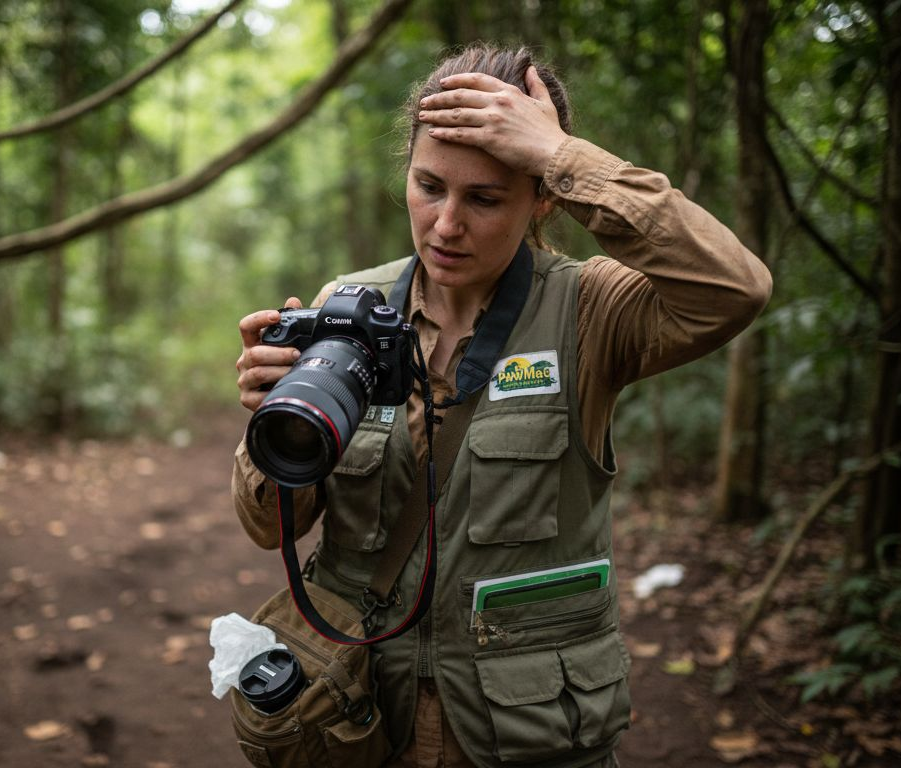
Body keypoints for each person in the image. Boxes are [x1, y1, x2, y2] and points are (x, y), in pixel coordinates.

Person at [231, 44, 771, 768]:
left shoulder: (588, 309)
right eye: (429, 187)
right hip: (361, 721)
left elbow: (735, 289)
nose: (446, 225)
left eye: (484, 198)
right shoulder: (347, 307)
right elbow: (274, 528)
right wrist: (275, 428)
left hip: (521, 734)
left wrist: (561, 152)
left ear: (542, 195)